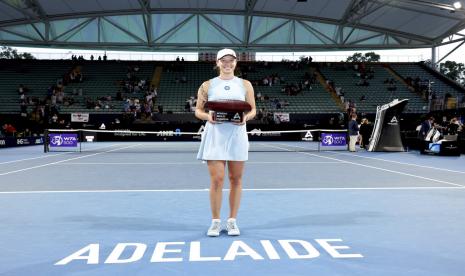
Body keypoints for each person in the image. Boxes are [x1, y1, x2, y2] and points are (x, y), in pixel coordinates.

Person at [195, 48, 256, 237]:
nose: (228, 64)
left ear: (236, 63)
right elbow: (198, 111)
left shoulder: (245, 84)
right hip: (215, 135)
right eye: (224, 60)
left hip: (237, 135)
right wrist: (208, 116)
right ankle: (215, 222)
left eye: (231, 60)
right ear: (218, 62)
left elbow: (253, 110)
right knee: (217, 179)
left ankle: (232, 221)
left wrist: (245, 118)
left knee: (236, 179)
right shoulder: (207, 85)